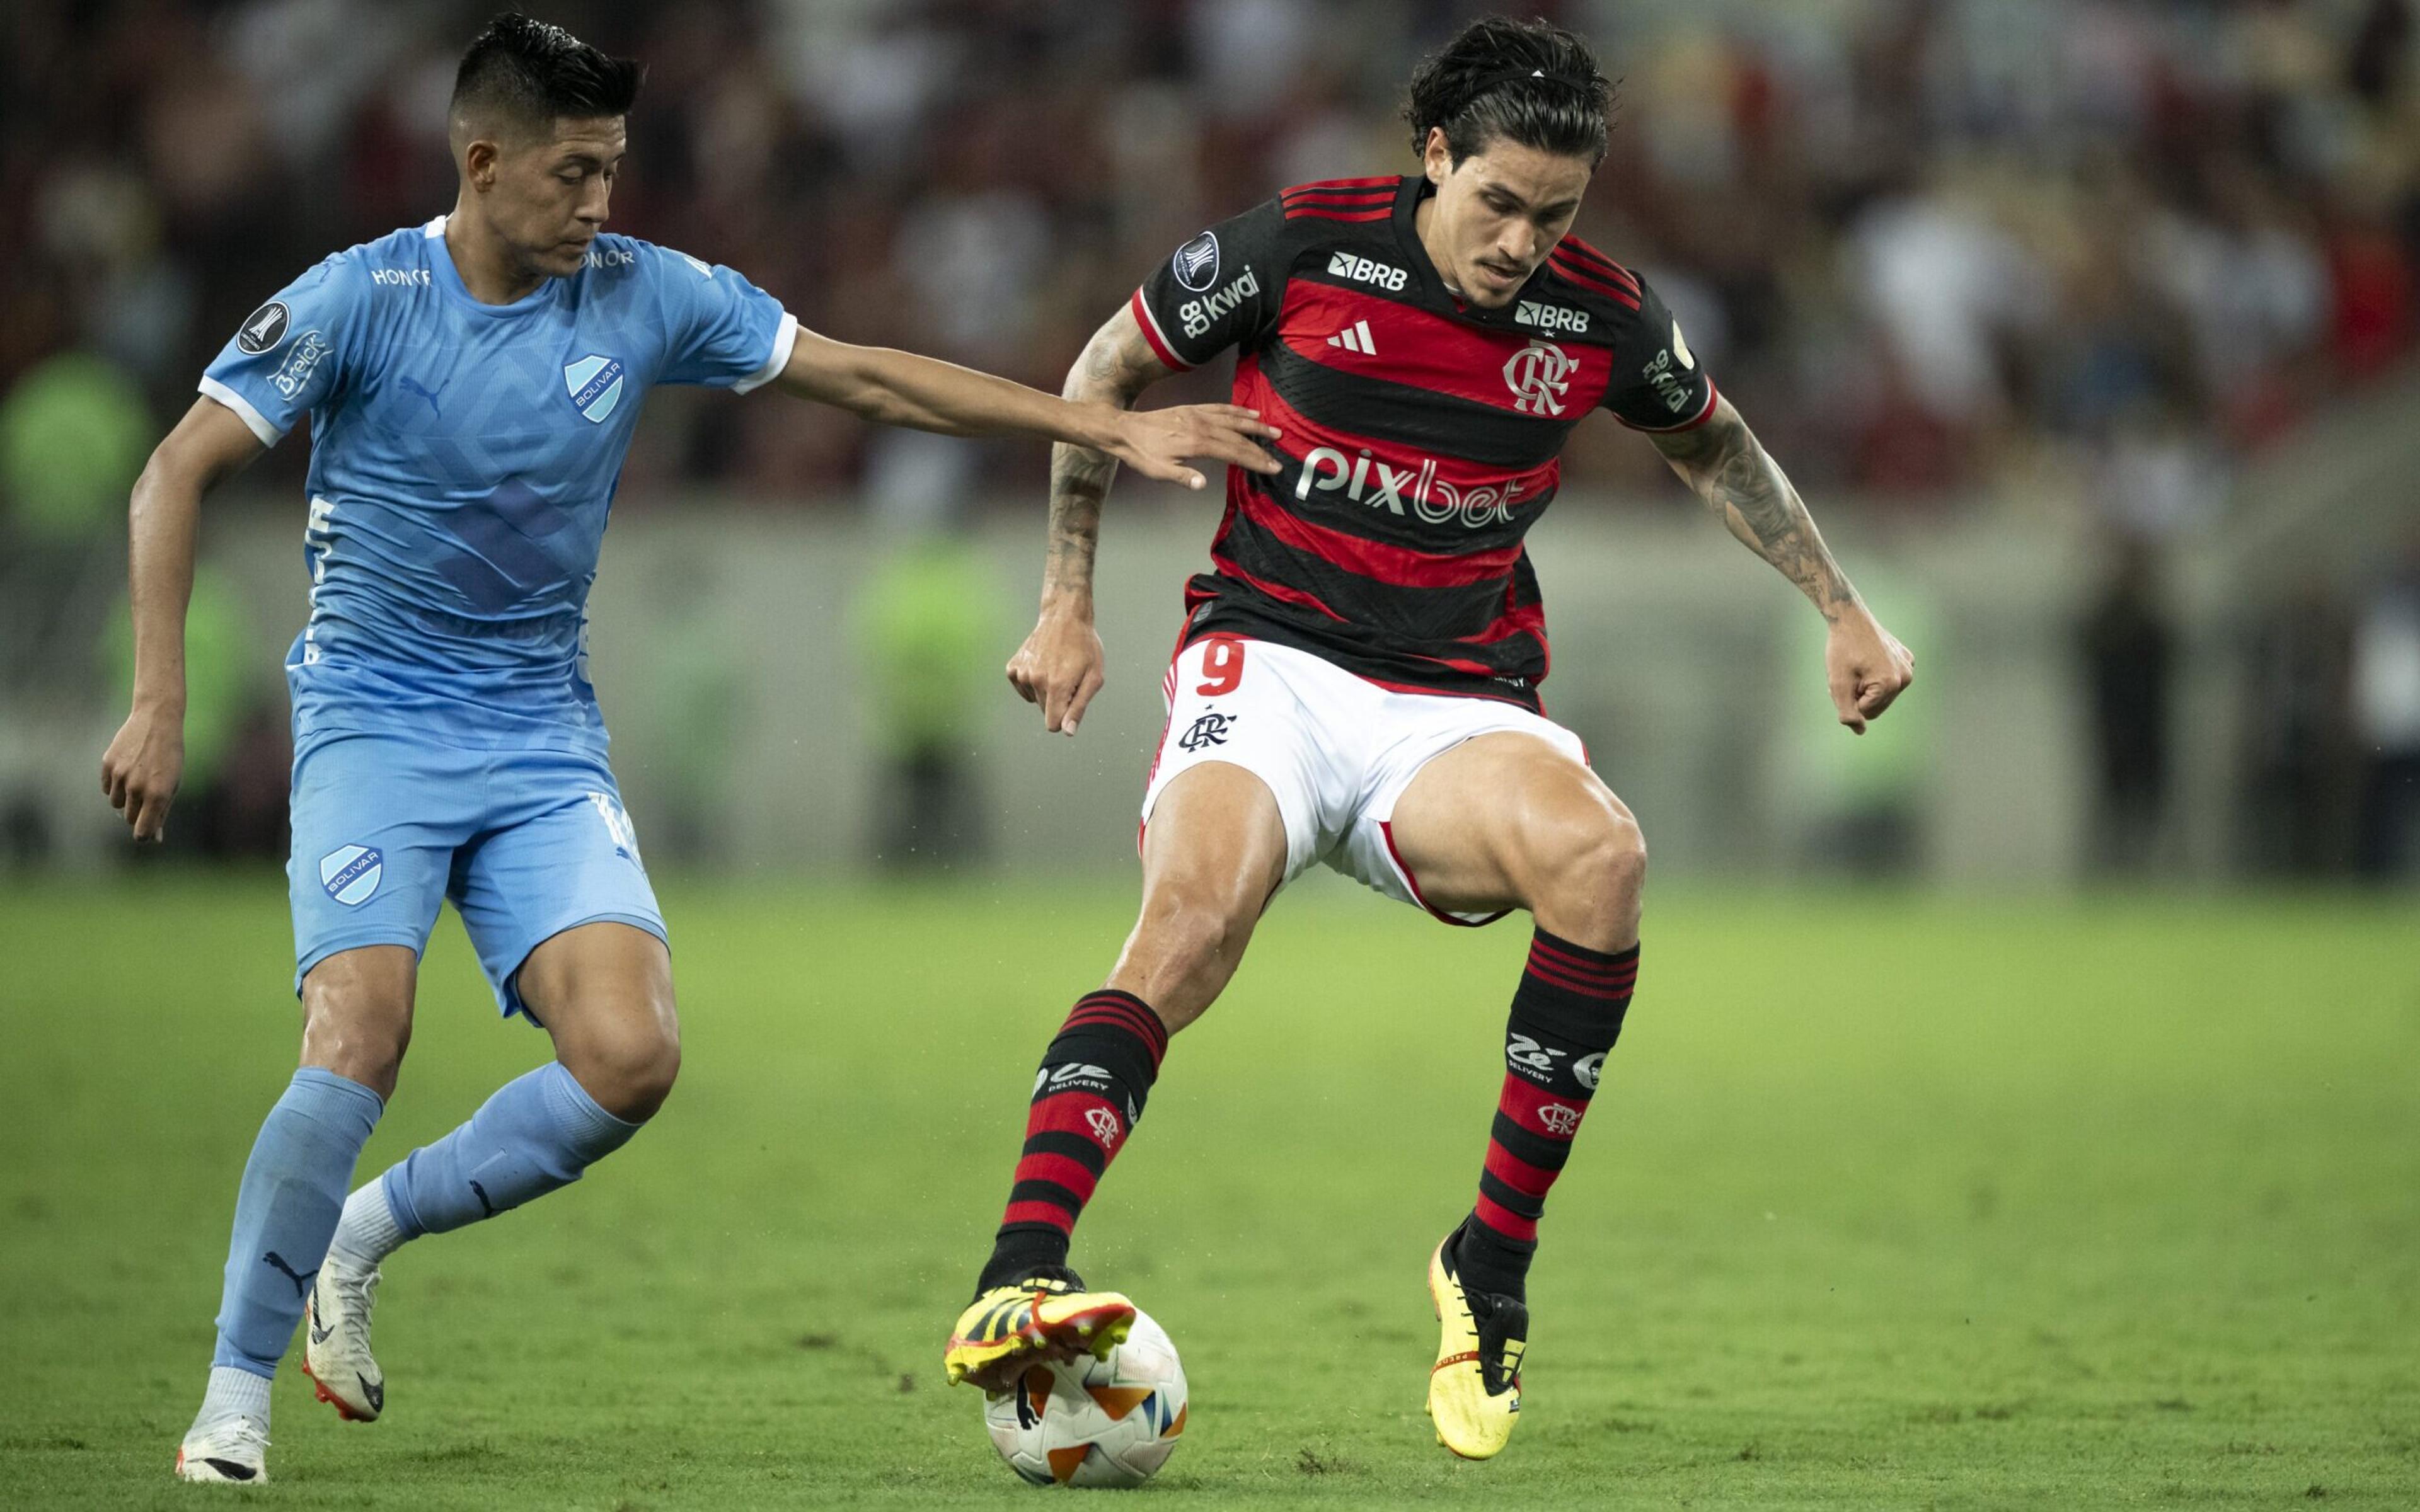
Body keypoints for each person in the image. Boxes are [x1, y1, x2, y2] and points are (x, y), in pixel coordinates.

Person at [98, 14, 1277, 1486]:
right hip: (377, 722)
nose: (604, 204)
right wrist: (159, 700)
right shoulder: (360, 300)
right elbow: (172, 473)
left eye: (616, 171)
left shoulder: (646, 295)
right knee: (360, 1035)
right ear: (483, 162)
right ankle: (232, 1397)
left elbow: (870, 380)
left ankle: (366, 1227)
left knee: (633, 1057)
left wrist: (1091, 422)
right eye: (577, 173)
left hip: (537, 736)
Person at [939, 16, 1911, 1461]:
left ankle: (1489, 1267)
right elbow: (1100, 371)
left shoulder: (1603, 317)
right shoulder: (1300, 247)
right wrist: (1066, 600)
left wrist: (1839, 604)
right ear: (1435, 156)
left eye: (1557, 213)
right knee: (1190, 929)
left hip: (1454, 706)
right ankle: (1016, 1277)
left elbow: (1714, 439)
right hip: (1265, 661)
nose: (1523, 242)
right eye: (1499, 202)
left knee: (1602, 861)